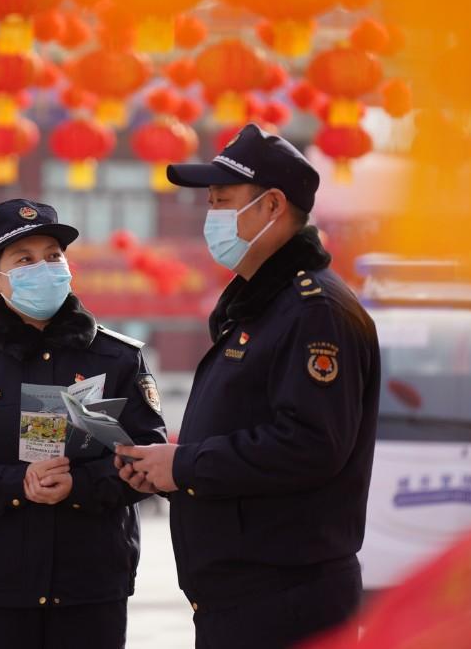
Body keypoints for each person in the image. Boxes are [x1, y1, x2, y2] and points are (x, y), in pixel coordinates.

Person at [115, 124, 381, 648]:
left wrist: (185, 466)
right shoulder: (259, 307)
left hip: (286, 596)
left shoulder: (315, 311)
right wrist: (169, 471)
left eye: (223, 201)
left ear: (272, 206)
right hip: (240, 597)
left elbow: (310, 444)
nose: (210, 216)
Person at [0, 198, 168, 649]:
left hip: (91, 585)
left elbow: (150, 461)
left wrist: (80, 486)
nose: (44, 268)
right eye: (24, 259)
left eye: (53, 256)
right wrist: (17, 484)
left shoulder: (117, 358)